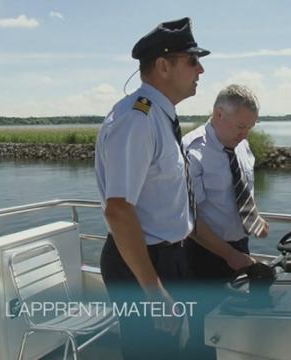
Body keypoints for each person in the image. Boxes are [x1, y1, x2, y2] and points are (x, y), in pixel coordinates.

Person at [94, 17, 209, 360]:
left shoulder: (160, 115)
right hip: (143, 264)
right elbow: (118, 208)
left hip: (168, 256)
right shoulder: (137, 119)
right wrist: (152, 288)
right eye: (192, 60)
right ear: (163, 65)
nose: (200, 69)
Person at [182, 84, 270, 359]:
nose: (245, 134)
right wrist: (229, 254)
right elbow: (190, 219)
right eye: (241, 126)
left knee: (236, 327)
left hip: (238, 248)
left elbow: (242, 188)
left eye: (250, 128)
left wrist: (255, 218)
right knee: (206, 331)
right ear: (219, 114)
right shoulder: (191, 150)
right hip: (203, 255)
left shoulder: (241, 145)